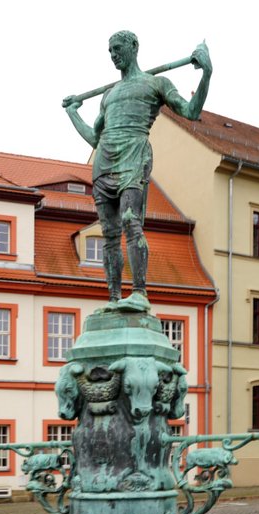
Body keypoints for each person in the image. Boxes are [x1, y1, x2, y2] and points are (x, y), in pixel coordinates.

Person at [64, 31, 212, 311]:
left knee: (132, 221)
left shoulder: (156, 83)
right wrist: (73, 113)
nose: (113, 55)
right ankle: (113, 299)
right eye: (109, 51)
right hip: (104, 160)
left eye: (117, 48)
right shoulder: (108, 96)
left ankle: (139, 292)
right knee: (109, 233)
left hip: (134, 154)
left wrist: (206, 74)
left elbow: (191, 112)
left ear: (134, 47)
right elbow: (95, 138)